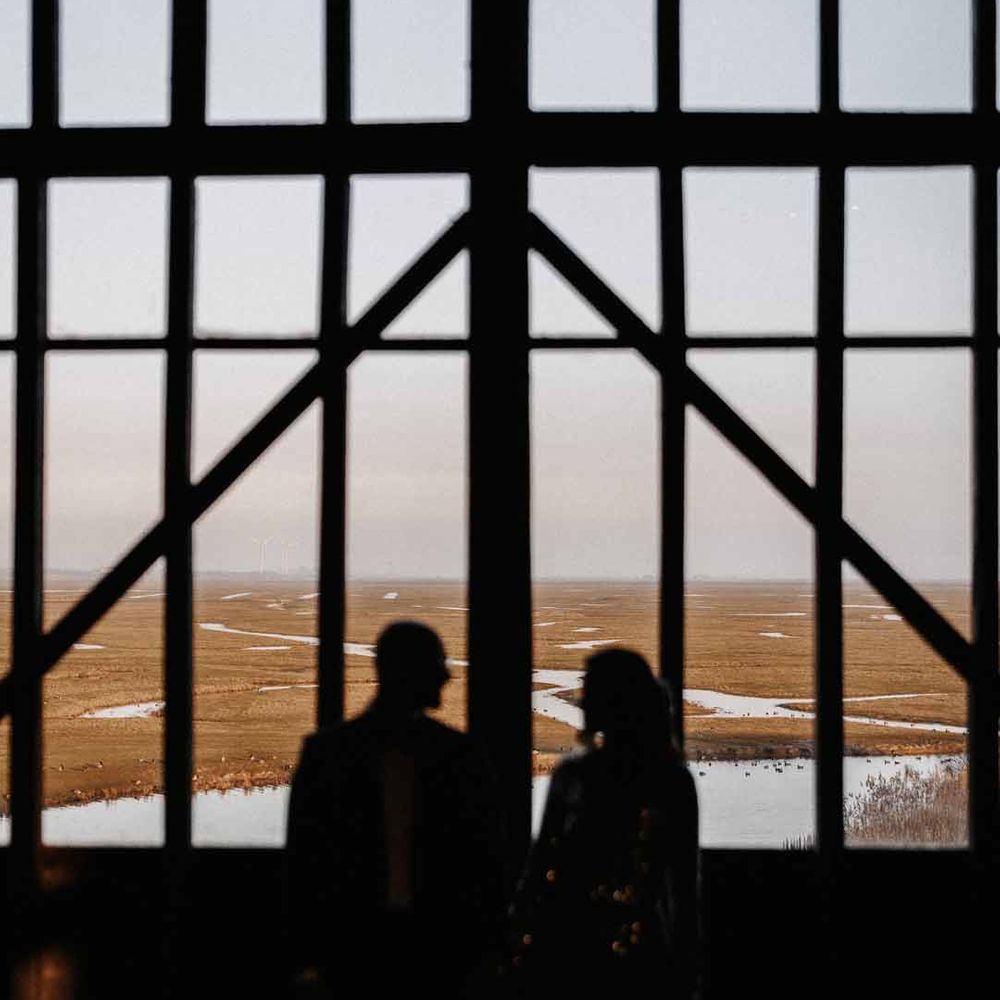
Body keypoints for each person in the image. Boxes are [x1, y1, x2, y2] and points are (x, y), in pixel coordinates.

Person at [285, 621, 506, 998]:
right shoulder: (458, 756)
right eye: (437, 663)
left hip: (433, 949)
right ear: (407, 671)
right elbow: (305, 864)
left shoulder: (329, 753)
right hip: (363, 950)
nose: (447, 675)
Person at [505, 648, 700, 997]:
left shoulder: (575, 777)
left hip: (571, 947)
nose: (581, 703)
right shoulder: (671, 780)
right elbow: (683, 886)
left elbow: (541, 867)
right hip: (637, 949)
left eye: (589, 693)